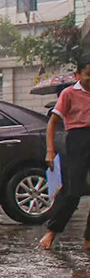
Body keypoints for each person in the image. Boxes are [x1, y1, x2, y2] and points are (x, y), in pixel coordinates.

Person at [41, 56, 90, 250]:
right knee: (73, 192)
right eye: (88, 75)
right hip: (76, 140)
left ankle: (88, 238)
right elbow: (52, 123)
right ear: (77, 75)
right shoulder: (69, 93)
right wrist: (50, 150)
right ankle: (52, 232)